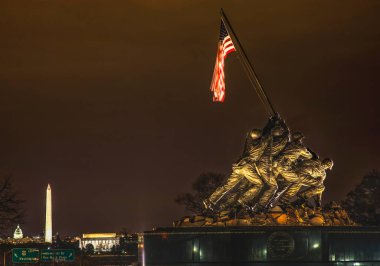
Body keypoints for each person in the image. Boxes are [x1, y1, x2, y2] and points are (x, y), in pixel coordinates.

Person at [203, 128, 269, 211]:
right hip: (247, 167)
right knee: (259, 184)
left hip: (238, 166)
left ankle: (210, 200)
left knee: (227, 186)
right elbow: (268, 136)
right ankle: (243, 200)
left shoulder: (250, 143)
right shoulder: (262, 143)